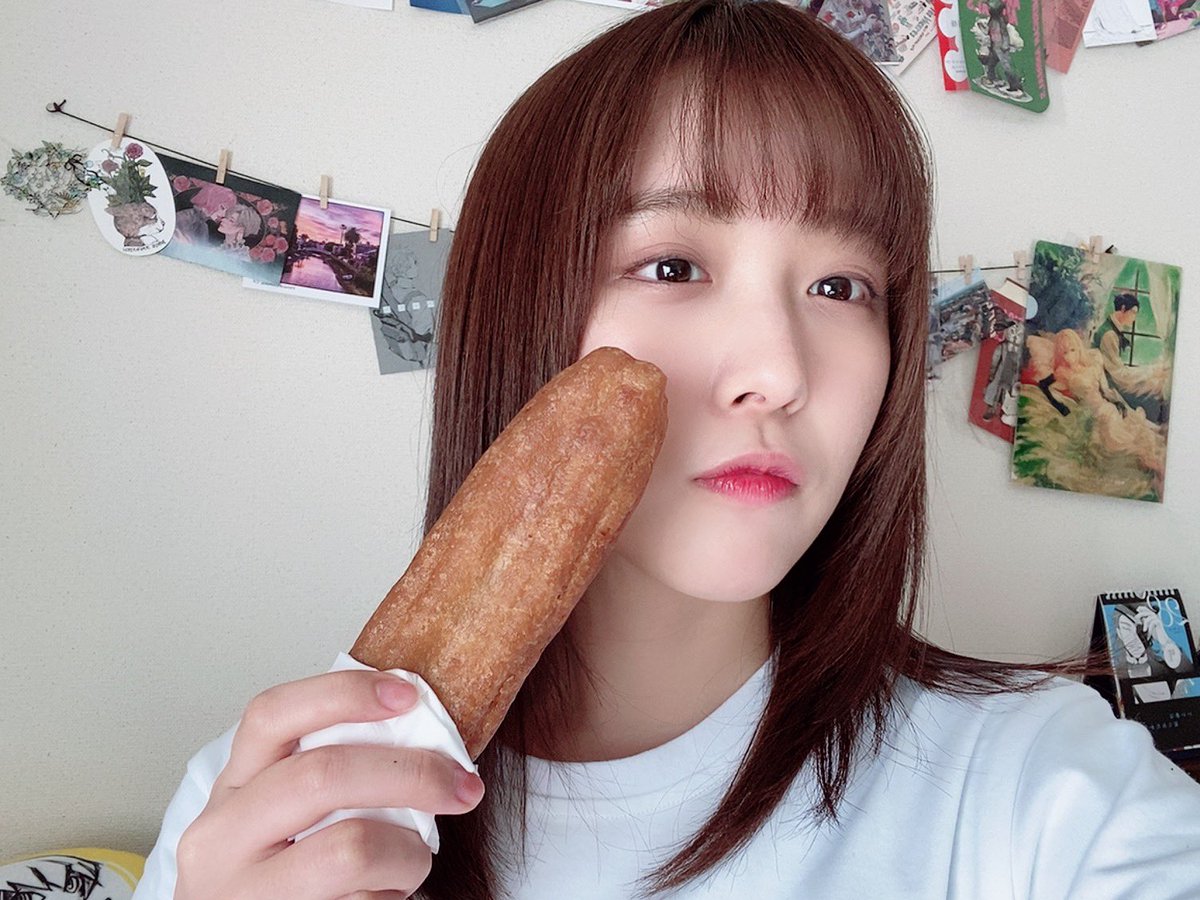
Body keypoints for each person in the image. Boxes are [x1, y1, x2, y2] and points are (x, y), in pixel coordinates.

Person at [133, 2, 1200, 898]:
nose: (777, 372)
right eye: (673, 266)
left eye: (841, 287)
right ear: (518, 313)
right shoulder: (264, 816)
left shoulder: (1051, 794)